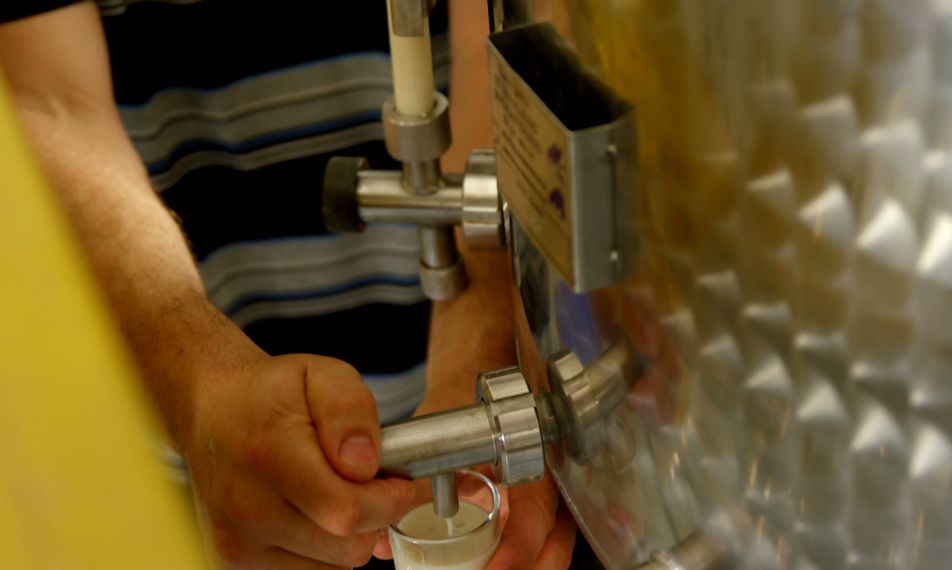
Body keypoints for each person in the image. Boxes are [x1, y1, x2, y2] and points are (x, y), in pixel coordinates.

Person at [0, 1, 576, 568]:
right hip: (183, 450)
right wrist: (199, 386)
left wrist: (485, 342)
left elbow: (507, 40)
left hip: (494, 354)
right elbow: (45, 101)